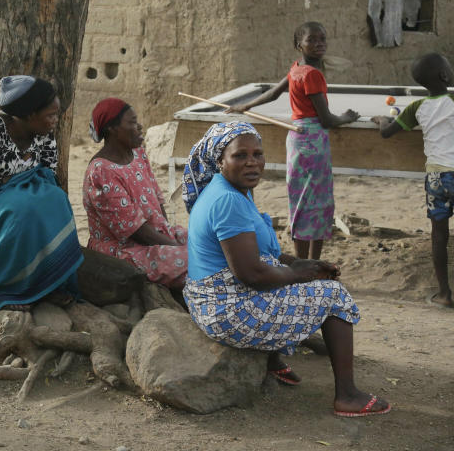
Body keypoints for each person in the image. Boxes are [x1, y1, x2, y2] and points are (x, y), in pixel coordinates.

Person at [182, 122, 390, 417]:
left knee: (286, 273)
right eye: (240, 156)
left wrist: (300, 265)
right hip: (224, 310)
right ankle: (347, 395)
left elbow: (266, 256)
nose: (252, 162)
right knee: (334, 296)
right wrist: (300, 274)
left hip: (213, 297)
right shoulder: (227, 200)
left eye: (258, 154)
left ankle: (272, 362)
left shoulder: (233, 189)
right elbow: (252, 275)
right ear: (220, 161)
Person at [227, 21, 358, 260]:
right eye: (312, 40)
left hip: (297, 139)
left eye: (322, 39)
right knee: (318, 201)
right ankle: (313, 262)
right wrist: (347, 118)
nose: (319, 44)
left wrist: (246, 105)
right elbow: (326, 119)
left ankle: (300, 261)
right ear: (299, 45)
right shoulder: (313, 75)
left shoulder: (297, 68)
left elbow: (274, 93)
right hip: (314, 140)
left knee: (300, 198)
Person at [0, 75, 83, 317]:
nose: (56, 120)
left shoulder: (43, 134)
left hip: (16, 198)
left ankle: (46, 282)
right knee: (21, 211)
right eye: (50, 115)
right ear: (28, 115)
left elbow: (46, 173)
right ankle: (8, 289)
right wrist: (20, 189)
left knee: (55, 198)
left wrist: (14, 185)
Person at [373, 52, 454, 308]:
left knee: (439, 235)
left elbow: (387, 133)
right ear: (445, 75)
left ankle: (445, 294)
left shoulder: (416, 107)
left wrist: (381, 119)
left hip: (436, 178)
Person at [82, 98, 188, 289]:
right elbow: (136, 231)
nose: (139, 126)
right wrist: (174, 247)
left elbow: (156, 198)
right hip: (125, 250)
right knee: (197, 261)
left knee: (211, 243)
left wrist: (168, 234)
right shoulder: (101, 172)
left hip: (156, 236)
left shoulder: (138, 153)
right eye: (131, 122)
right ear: (112, 129)